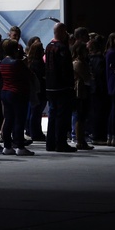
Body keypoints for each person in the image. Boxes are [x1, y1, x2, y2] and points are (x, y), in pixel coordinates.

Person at [0, 38, 34, 156]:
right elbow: (29, 75)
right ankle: (20, 146)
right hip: (18, 93)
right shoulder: (17, 63)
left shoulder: (3, 62)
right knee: (19, 119)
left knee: (8, 119)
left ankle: (7, 146)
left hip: (5, 92)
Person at [44, 22, 76, 152]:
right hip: (61, 87)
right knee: (62, 116)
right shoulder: (62, 48)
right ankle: (61, 143)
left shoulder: (48, 46)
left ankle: (50, 143)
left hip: (50, 86)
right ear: (62, 32)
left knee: (52, 115)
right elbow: (66, 68)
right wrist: (70, 84)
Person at [71, 38, 94, 151]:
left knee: (82, 116)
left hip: (82, 91)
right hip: (80, 92)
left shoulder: (79, 62)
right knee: (80, 117)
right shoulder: (78, 63)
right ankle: (80, 140)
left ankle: (81, 139)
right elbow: (87, 77)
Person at [25, 36, 47, 142]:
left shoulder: (33, 62)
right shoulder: (37, 64)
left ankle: (36, 131)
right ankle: (35, 132)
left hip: (37, 90)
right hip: (39, 90)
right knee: (36, 113)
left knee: (36, 113)